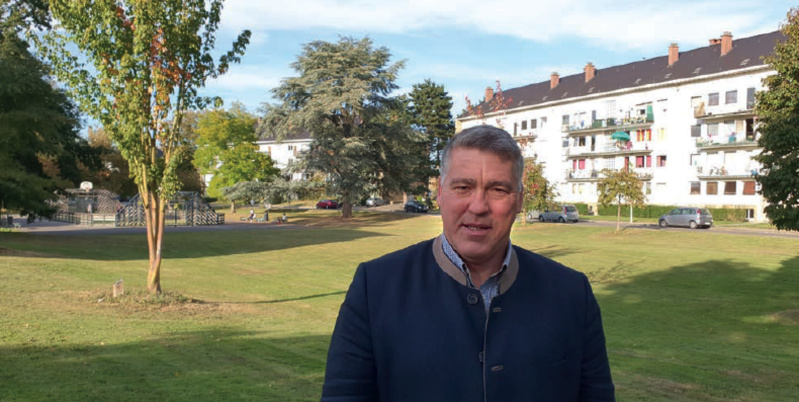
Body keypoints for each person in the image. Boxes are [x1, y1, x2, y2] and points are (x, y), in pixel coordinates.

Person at [322, 125, 615, 401]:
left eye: (498, 190)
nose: (478, 206)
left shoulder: (571, 293)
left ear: (519, 201)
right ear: (439, 193)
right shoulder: (375, 287)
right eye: (463, 187)